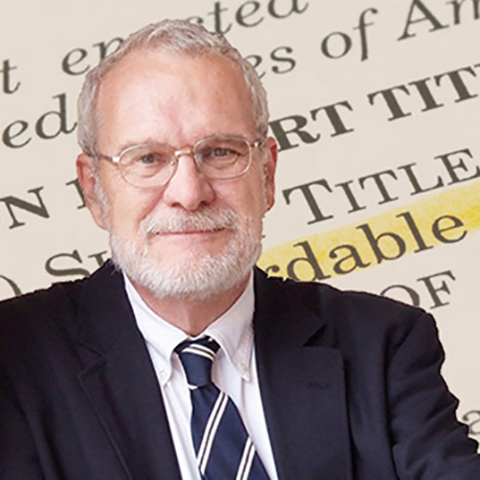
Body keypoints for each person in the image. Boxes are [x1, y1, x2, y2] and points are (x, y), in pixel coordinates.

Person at [0, 19, 479, 480]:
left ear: (267, 174)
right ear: (93, 189)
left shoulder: (383, 346)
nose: (189, 193)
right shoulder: (15, 357)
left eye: (220, 152)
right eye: (147, 159)